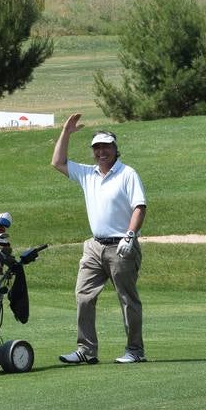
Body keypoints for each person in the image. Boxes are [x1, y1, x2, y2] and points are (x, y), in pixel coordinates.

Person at [52, 113, 148, 364]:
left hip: (122, 246)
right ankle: (86, 350)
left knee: (128, 300)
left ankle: (135, 351)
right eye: (97, 148)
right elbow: (57, 162)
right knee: (83, 296)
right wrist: (65, 132)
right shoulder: (87, 174)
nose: (101, 152)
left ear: (116, 149)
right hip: (94, 246)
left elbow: (139, 207)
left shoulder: (127, 174)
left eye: (106, 146)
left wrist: (130, 235)